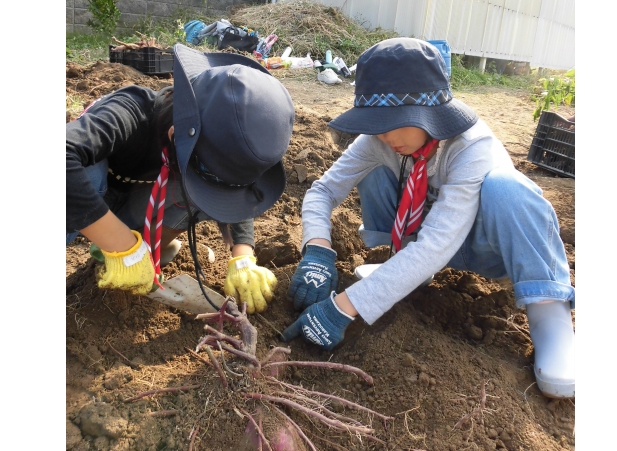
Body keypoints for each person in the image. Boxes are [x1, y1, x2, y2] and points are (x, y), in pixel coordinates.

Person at [281, 38, 575, 399]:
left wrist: (345, 306)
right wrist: (317, 248)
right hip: (423, 240)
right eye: (377, 124)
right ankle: (401, 266)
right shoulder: (381, 140)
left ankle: (549, 313)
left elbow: (437, 244)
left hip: (486, 246)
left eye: (393, 123)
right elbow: (323, 191)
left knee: (506, 189)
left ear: (427, 113)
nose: (385, 135)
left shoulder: (471, 146)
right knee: (372, 170)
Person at [66, 44, 295, 314]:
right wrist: (120, 244)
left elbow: (234, 185)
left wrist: (243, 257)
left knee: (201, 196)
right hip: (85, 197)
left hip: (136, 202)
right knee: (83, 171)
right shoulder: (130, 111)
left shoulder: (215, 148)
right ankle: (124, 252)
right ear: (177, 136)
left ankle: (144, 256)